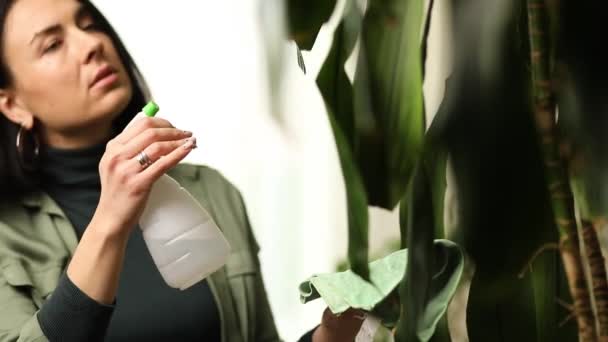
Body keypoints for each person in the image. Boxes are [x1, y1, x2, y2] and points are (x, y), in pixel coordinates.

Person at [0, 0, 364, 341]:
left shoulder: (211, 190)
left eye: (90, 24)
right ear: (12, 104)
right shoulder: (7, 234)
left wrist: (327, 337)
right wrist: (111, 217)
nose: (92, 44)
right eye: (51, 45)